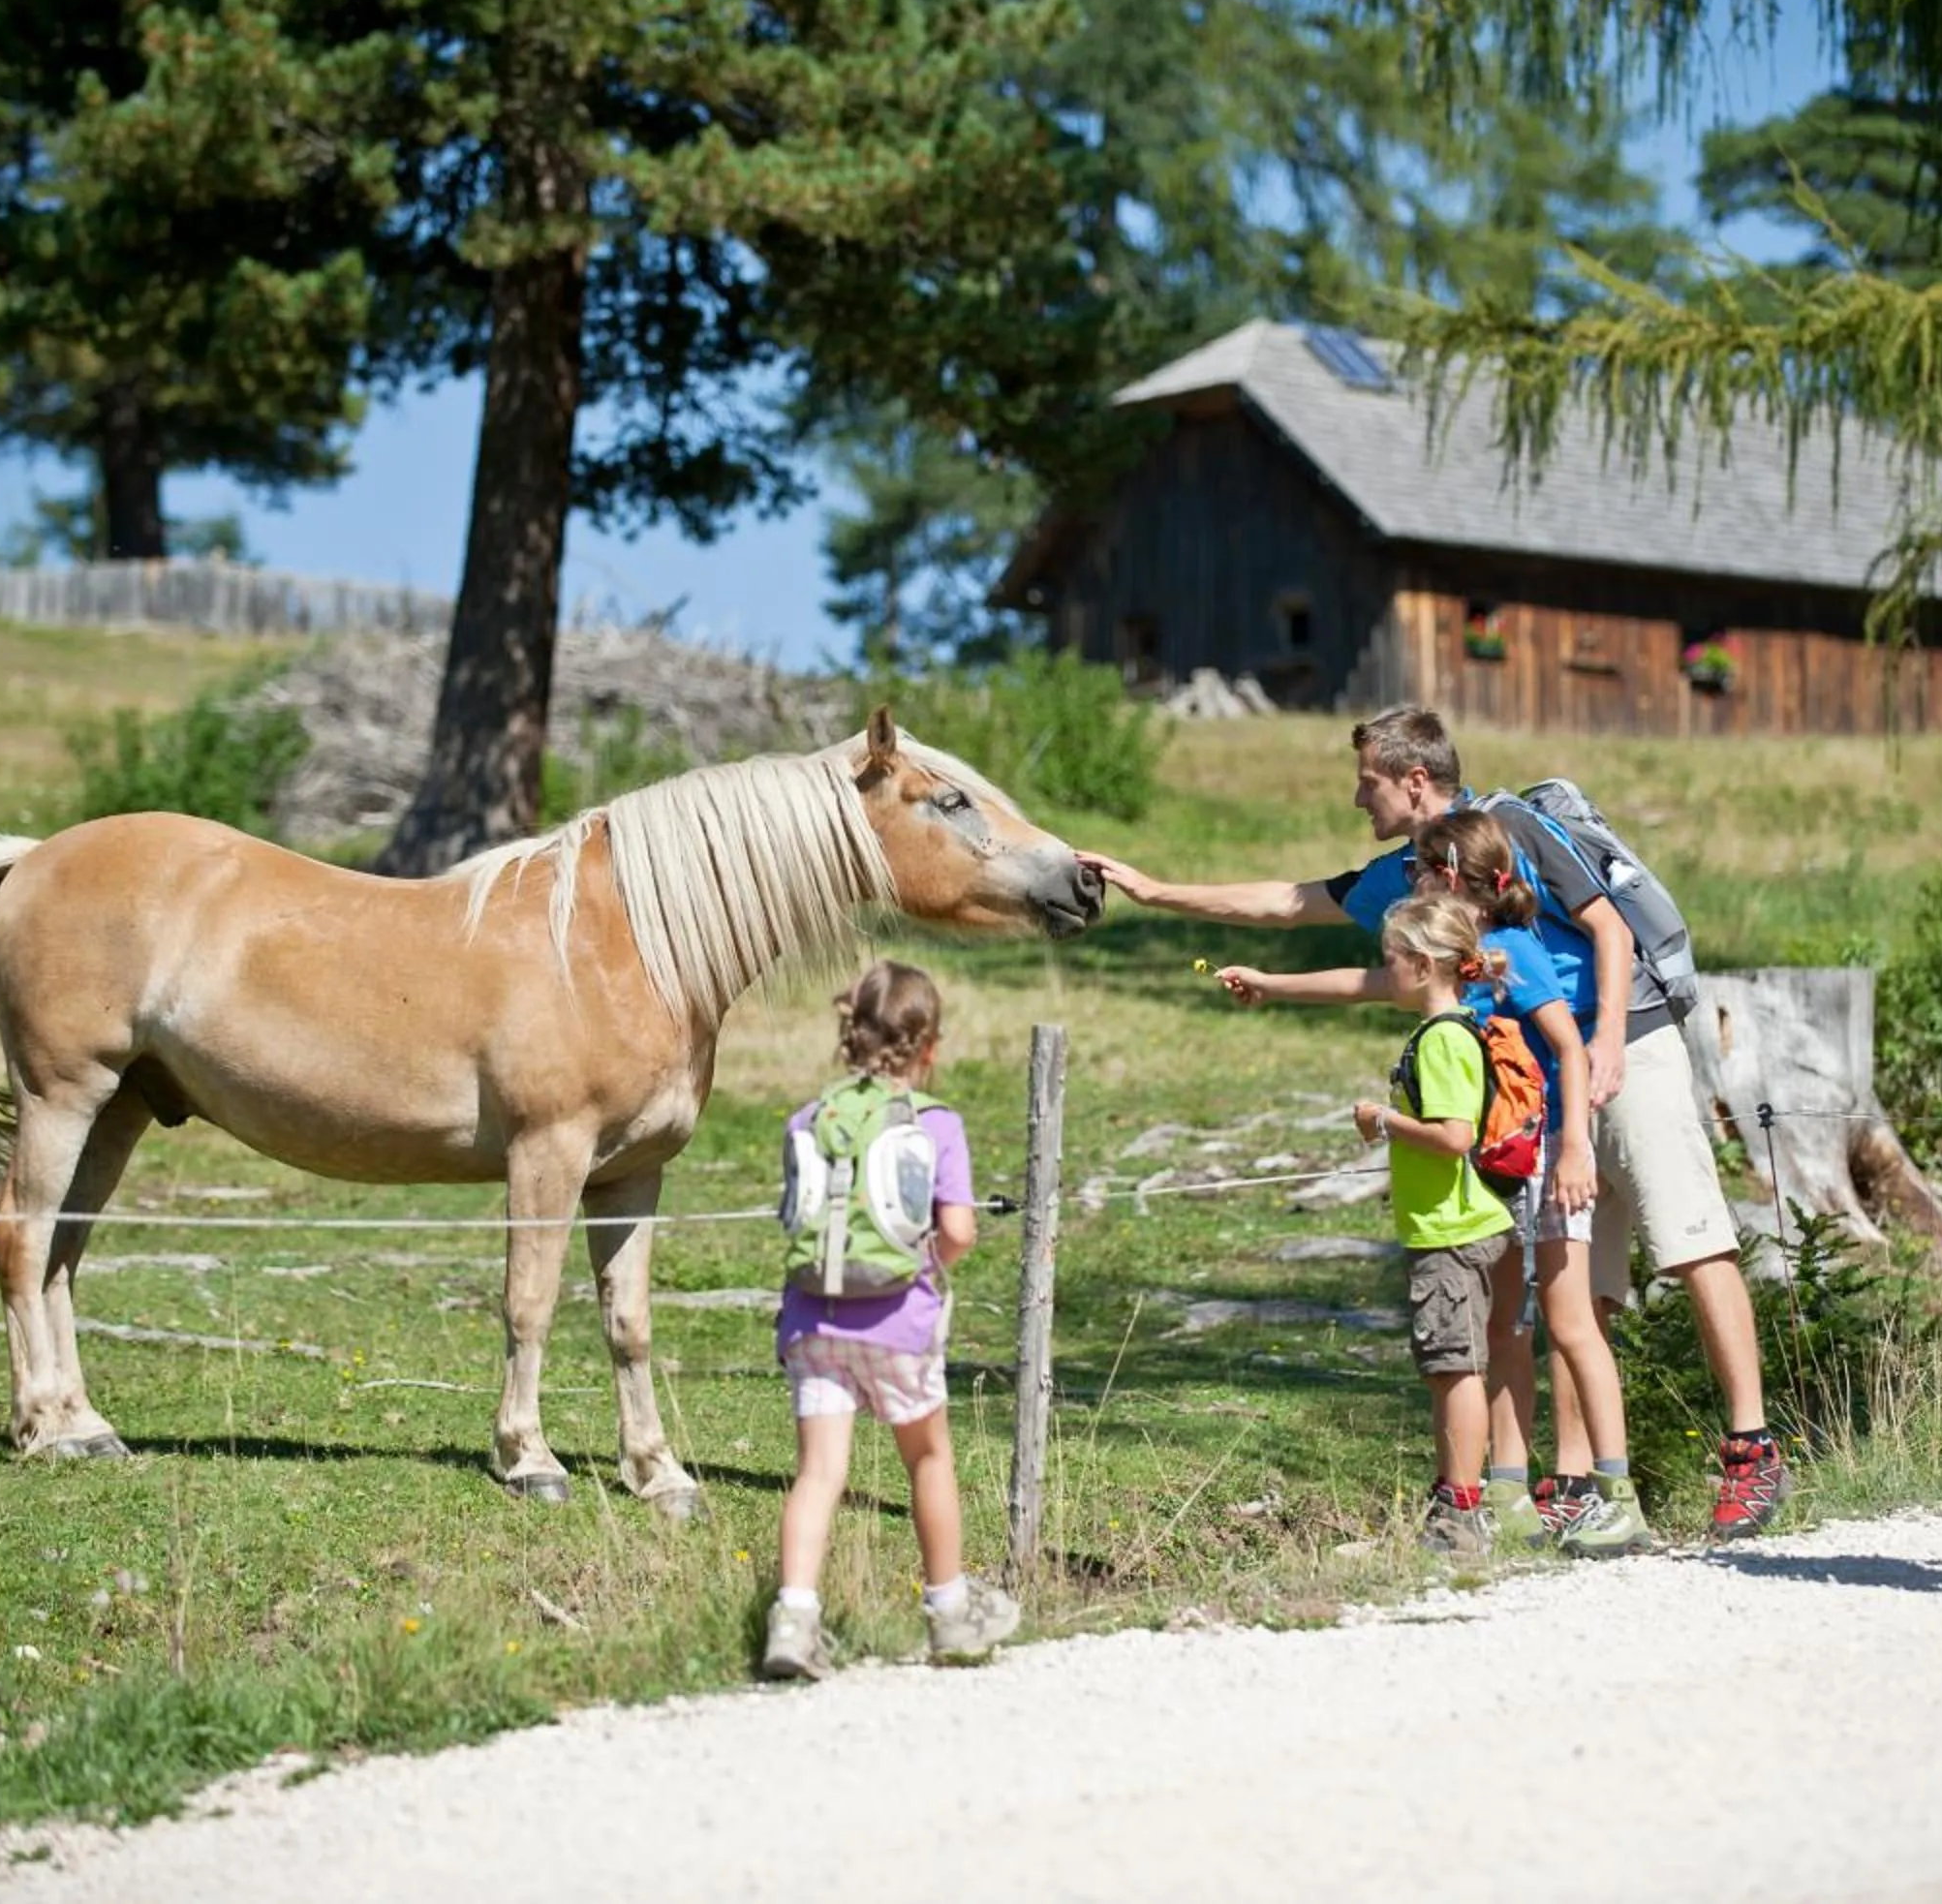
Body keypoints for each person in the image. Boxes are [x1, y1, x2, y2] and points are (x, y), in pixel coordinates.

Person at [1079, 704, 1789, 1544]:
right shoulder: (1410, 876)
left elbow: (1605, 926)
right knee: (1578, 1294)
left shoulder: (1511, 831)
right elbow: (1288, 902)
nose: (1357, 801)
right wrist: (1155, 891)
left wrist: (1603, 1046)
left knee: (1690, 1238)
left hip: (1620, 1040)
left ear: (1414, 781)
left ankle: (1751, 1450)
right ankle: (1577, 1483)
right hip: (1534, 1092)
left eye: (1367, 784)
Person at [1218, 809, 1650, 1557]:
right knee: (1504, 1326)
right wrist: (1270, 983)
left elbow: (1569, 1049)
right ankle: (1508, 1492)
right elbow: (1372, 983)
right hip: (1494, 1165)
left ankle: (1618, 1495)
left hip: (1542, 1149)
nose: (1408, 876)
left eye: (1417, 868)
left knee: (1570, 1320)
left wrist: (1576, 1145)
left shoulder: (1513, 949)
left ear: (1448, 875)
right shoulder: (1460, 959)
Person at [761, 961, 1021, 1678]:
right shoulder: (936, 1125)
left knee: (819, 1473)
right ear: (928, 1047)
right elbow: (961, 1231)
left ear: (851, 1038)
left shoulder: (810, 1119)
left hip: (814, 1324)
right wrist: (931, 1261)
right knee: (928, 1458)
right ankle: (948, 1612)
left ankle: (793, 1620)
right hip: (899, 1326)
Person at [1352, 894, 1533, 1560]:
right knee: (1448, 1366)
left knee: (1455, 1368)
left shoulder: (1444, 1040)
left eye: (1390, 960)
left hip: (1451, 1231)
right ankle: (1455, 1496)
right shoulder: (1455, 1030)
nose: (1384, 972)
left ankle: (1460, 1510)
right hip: (1448, 1226)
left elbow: (1455, 1136)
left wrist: (1383, 1121)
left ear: (1424, 965)